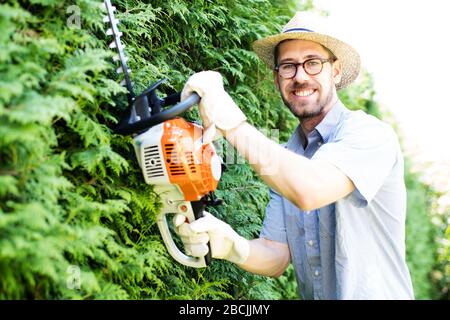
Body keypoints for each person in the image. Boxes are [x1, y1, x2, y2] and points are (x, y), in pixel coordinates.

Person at [175, 12, 414, 300]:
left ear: (335, 71)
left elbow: (310, 188)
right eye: (288, 66)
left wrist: (231, 122)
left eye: (313, 63)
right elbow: (277, 254)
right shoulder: (290, 156)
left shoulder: (370, 134)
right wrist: (231, 244)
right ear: (277, 79)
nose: (300, 76)